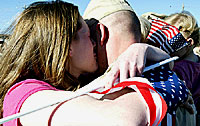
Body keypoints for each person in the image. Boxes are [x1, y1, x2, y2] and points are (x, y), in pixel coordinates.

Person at [0, 1, 169, 126]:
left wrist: (143, 50)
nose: (95, 44)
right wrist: (149, 86)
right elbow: (121, 121)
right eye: (89, 37)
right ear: (67, 46)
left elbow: (169, 63)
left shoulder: (70, 83)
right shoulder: (23, 93)